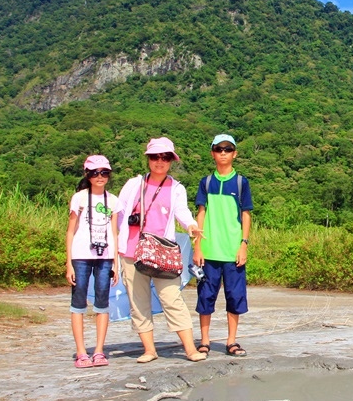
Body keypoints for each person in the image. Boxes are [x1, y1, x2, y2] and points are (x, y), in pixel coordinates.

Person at [116, 137, 206, 363]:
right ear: (148, 159)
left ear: (171, 161)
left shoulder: (176, 188)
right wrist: (115, 247)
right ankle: (149, 350)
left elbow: (182, 211)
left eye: (165, 157)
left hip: (162, 251)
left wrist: (192, 226)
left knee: (171, 297)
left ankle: (190, 349)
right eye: (155, 157)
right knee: (138, 300)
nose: (159, 161)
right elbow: (119, 214)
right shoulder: (134, 184)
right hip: (131, 250)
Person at [193, 134, 253, 357]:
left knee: (234, 296)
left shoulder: (241, 182)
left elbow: (246, 215)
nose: (223, 153)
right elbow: (201, 213)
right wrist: (198, 246)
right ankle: (205, 341)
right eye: (219, 149)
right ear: (213, 153)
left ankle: (231, 341)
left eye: (228, 149)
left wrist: (243, 244)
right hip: (209, 251)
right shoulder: (206, 182)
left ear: (235, 153)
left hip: (232, 250)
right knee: (205, 296)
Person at [65, 155, 119, 368]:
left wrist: (116, 263)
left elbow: (115, 233)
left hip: (104, 257)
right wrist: (68, 262)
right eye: (95, 173)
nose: (100, 177)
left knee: (102, 302)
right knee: (78, 302)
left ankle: (98, 351)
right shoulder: (79, 198)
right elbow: (70, 231)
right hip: (80, 256)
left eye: (104, 173)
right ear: (87, 174)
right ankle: (81, 352)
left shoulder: (113, 201)